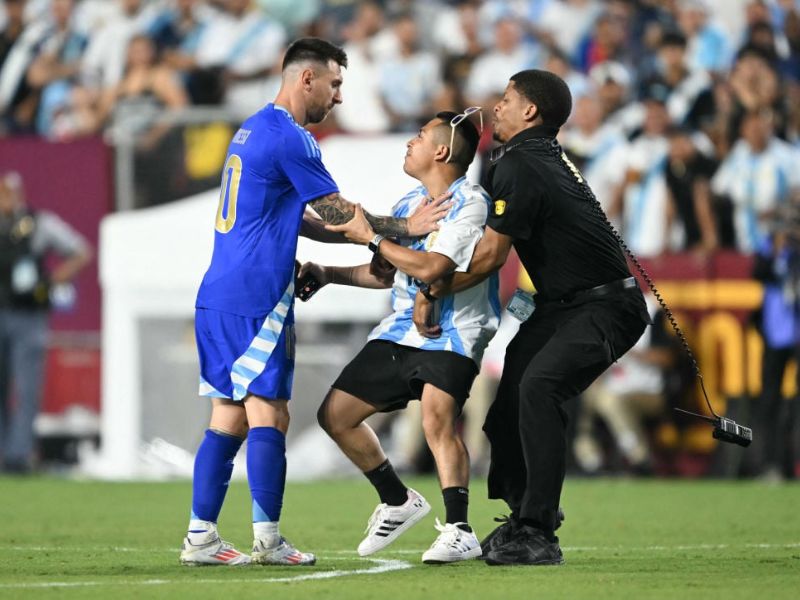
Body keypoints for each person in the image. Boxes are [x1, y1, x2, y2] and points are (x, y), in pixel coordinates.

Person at [180, 37, 449, 567]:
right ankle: (268, 540)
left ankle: (201, 537)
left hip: (218, 291)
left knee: (228, 417)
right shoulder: (291, 138)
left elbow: (299, 218)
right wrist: (406, 226)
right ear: (307, 79)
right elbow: (335, 211)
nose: (340, 96)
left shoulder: (251, 126)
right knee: (269, 415)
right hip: (257, 295)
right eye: (336, 83)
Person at [413, 69, 649, 566]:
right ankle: (525, 516)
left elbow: (492, 256)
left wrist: (432, 288)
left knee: (539, 388)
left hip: (604, 307)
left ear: (530, 112)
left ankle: (539, 532)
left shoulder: (517, 163)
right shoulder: (538, 159)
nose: (495, 107)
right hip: (561, 306)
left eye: (506, 99)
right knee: (508, 403)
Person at [304, 108, 499, 564]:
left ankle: (459, 528)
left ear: (442, 150)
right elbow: (385, 273)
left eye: (419, 136)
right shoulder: (409, 202)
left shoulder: (469, 201)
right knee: (335, 416)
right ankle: (396, 499)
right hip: (400, 330)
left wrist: (369, 237)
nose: (409, 142)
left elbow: (433, 269)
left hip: (453, 330)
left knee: (436, 416)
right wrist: (329, 273)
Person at [0, 171, 92, 473]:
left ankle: (19, 454)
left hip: (29, 315)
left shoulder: (39, 224)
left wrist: (51, 280)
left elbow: (80, 250)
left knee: (27, 387)